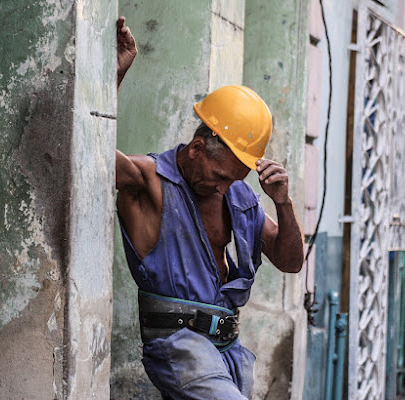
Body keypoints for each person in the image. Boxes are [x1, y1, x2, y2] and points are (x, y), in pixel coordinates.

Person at [115, 17, 304, 400]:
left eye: (234, 179)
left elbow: (290, 261)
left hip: (228, 352)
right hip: (178, 347)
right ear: (198, 147)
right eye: (219, 175)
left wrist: (283, 205)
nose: (223, 187)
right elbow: (93, 153)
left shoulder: (237, 196)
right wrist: (112, 78)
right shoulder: (150, 180)